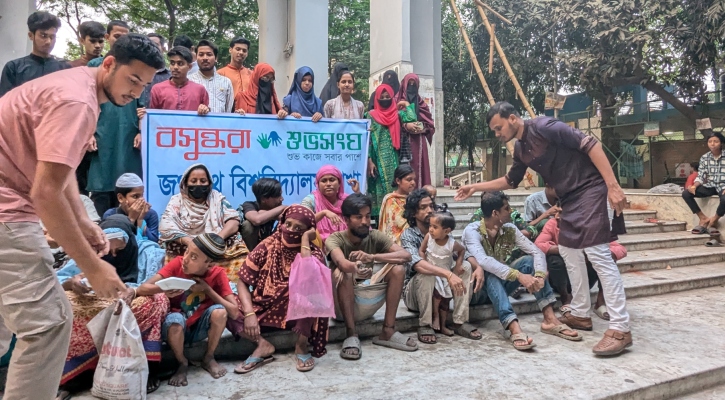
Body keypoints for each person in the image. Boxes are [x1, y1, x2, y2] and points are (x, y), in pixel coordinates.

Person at [0, 32, 162, 400]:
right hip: (8, 213)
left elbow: (59, 170)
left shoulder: (75, 88)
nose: (136, 92)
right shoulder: (78, 102)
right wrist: (91, 266)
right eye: (132, 79)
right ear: (109, 64)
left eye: (145, 85)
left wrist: (83, 221)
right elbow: (45, 192)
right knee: (48, 327)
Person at [456, 102, 632, 356]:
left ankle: (620, 327)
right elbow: (510, 181)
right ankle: (581, 313)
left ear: (513, 118)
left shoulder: (545, 126)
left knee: (597, 253)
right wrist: (476, 187)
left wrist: (613, 186)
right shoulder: (519, 148)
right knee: (570, 252)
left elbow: (590, 144)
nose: (497, 134)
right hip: (569, 198)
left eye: (498, 128)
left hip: (592, 189)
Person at [55, 216, 170, 397]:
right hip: (97, 301)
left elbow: (153, 282)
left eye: (121, 249)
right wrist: (72, 282)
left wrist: (134, 291)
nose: (115, 255)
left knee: (156, 300)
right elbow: (60, 279)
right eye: (110, 250)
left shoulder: (148, 252)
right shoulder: (92, 251)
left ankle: (148, 369)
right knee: (67, 305)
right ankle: (77, 377)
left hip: (134, 298)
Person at [463, 192, 581, 350]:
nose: (511, 211)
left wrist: (538, 275)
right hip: (477, 291)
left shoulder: (510, 229)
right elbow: (484, 261)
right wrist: (519, 276)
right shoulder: (472, 231)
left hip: (500, 288)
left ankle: (549, 319)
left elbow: (536, 252)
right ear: (495, 213)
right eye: (507, 208)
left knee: (529, 262)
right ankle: (513, 327)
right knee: (490, 272)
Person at [227, 206, 330, 373]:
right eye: (287, 224)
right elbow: (243, 282)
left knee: (311, 291)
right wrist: (249, 313)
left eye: (299, 229)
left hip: (295, 317)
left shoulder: (314, 254)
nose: (290, 231)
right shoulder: (267, 246)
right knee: (226, 306)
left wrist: (304, 240)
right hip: (261, 310)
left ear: (308, 231)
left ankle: (301, 346)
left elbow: (311, 279)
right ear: (281, 222)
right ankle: (262, 345)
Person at [137, 233, 238, 386]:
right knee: (175, 320)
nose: (186, 258)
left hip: (199, 327)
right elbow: (142, 288)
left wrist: (208, 290)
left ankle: (208, 357)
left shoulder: (217, 274)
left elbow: (234, 312)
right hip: (176, 328)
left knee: (220, 312)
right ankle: (182, 362)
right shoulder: (177, 264)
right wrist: (163, 289)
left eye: (194, 257)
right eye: (187, 252)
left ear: (209, 264)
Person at [327, 194, 417, 359]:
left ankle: (388, 330)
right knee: (343, 272)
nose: (364, 222)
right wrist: (355, 268)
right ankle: (351, 334)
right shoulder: (335, 239)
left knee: (398, 269)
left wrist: (373, 257)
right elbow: (341, 262)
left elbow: (406, 255)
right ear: (346, 219)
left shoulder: (374, 235)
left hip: (368, 304)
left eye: (368, 216)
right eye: (358, 217)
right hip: (341, 309)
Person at [401, 190, 483, 344]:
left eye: (431, 206)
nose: (430, 210)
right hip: (416, 294)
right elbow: (418, 264)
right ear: (413, 213)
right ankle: (425, 324)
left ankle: (459, 321)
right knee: (426, 273)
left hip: (442, 285)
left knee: (465, 266)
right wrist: (448, 274)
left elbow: (460, 252)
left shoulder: (443, 230)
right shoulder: (408, 235)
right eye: (423, 207)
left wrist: (478, 267)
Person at [86, 20, 141, 216]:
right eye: (117, 36)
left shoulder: (137, 67)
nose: (121, 40)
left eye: (125, 36)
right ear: (107, 37)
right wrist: (88, 133)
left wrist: (141, 130)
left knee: (128, 189)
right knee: (101, 189)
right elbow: (86, 103)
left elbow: (142, 107)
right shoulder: (95, 65)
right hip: (102, 134)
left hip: (128, 137)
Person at [159, 164, 247, 284]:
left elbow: (233, 220)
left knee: (238, 246)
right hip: (186, 246)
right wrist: (191, 243)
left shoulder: (217, 198)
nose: (198, 184)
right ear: (185, 183)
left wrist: (217, 239)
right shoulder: (177, 201)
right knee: (172, 248)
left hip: (215, 245)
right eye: (193, 181)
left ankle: (229, 286)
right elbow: (166, 225)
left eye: (203, 181)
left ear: (209, 183)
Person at [536, 208, 627, 321]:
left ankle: (600, 302)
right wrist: (565, 250)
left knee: (604, 258)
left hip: (584, 278)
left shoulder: (589, 227)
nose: (557, 216)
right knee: (554, 259)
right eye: (557, 212)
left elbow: (620, 249)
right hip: (560, 278)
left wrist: (592, 254)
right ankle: (566, 299)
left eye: (562, 213)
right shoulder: (553, 223)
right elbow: (538, 244)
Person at [366, 84, 417, 218]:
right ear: (376, 98)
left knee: (395, 186)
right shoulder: (370, 115)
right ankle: (380, 222)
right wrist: (369, 160)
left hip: (395, 159)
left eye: (388, 96)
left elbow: (412, 119)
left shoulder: (397, 114)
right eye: (381, 97)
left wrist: (406, 103)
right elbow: (368, 140)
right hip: (377, 159)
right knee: (379, 190)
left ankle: (396, 219)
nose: (385, 99)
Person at [0, 11, 70, 97]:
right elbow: (5, 103)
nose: (48, 42)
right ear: (31, 35)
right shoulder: (14, 68)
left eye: (52, 37)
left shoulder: (65, 69)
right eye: (43, 36)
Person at [301, 165, 360, 243]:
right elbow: (301, 221)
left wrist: (358, 194)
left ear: (339, 184)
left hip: (346, 243)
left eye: (332, 180)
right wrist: (323, 213)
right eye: (324, 181)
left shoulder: (346, 199)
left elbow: (361, 217)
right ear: (318, 184)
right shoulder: (311, 200)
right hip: (318, 246)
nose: (328, 184)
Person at [395, 73, 435, 185]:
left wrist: (420, 127)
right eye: (409, 84)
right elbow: (392, 122)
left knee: (420, 169)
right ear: (404, 85)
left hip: (419, 143)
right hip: (402, 143)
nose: (411, 87)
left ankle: (420, 198)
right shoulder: (397, 102)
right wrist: (406, 126)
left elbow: (429, 124)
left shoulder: (422, 104)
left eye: (414, 84)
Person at [684, 132, 725, 238]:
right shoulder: (704, 158)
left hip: (723, 186)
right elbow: (701, 176)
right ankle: (703, 218)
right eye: (710, 141)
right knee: (686, 193)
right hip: (710, 186)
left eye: (716, 141)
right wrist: (694, 186)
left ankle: (714, 220)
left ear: (721, 143)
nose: (713, 144)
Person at [146, 46, 210, 114]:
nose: (175, 67)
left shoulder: (200, 90)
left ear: (189, 67)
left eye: (180, 64)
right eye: (172, 63)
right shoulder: (157, 89)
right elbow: (152, 116)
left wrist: (205, 109)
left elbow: (206, 116)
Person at [103, 173, 160, 243]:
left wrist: (140, 220)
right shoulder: (111, 215)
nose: (141, 200)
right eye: (135, 196)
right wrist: (131, 219)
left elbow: (154, 242)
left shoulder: (150, 214)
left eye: (142, 195)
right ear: (120, 198)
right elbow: (117, 243)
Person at [188, 40, 234, 113]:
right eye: (201, 54)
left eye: (209, 54)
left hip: (219, 124)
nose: (205, 58)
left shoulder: (226, 82)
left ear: (216, 58)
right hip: (196, 124)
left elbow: (228, 111)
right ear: (196, 58)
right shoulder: (188, 81)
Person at [240, 178, 285, 250]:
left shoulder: (275, 207)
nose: (281, 199)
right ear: (264, 199)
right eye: (278, 196)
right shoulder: (249, 205)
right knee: (248, 225)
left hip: (267, 246)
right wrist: (283, 207)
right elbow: (257, 220)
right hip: (249, 249)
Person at [378, 165, 416, 243]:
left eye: (413, 179)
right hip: (395, 243)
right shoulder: (391, 199)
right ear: (398, 181)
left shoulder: (414, 198)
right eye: (409, 180)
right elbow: (396, 223)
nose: (413, 183)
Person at [139, 32, 171, 107]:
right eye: (148, 44)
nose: (151, 48)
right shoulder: (136, 73)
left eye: (155, 44)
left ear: (163, 49)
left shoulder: (170, 76)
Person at [217, 36, 252, 103]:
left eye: (244, 50)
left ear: (247, 53)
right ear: (230, 50)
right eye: (238, 49)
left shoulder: (252, 74)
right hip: (229, 112)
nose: (241, 52)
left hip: (249, 112)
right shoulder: (220, 73)